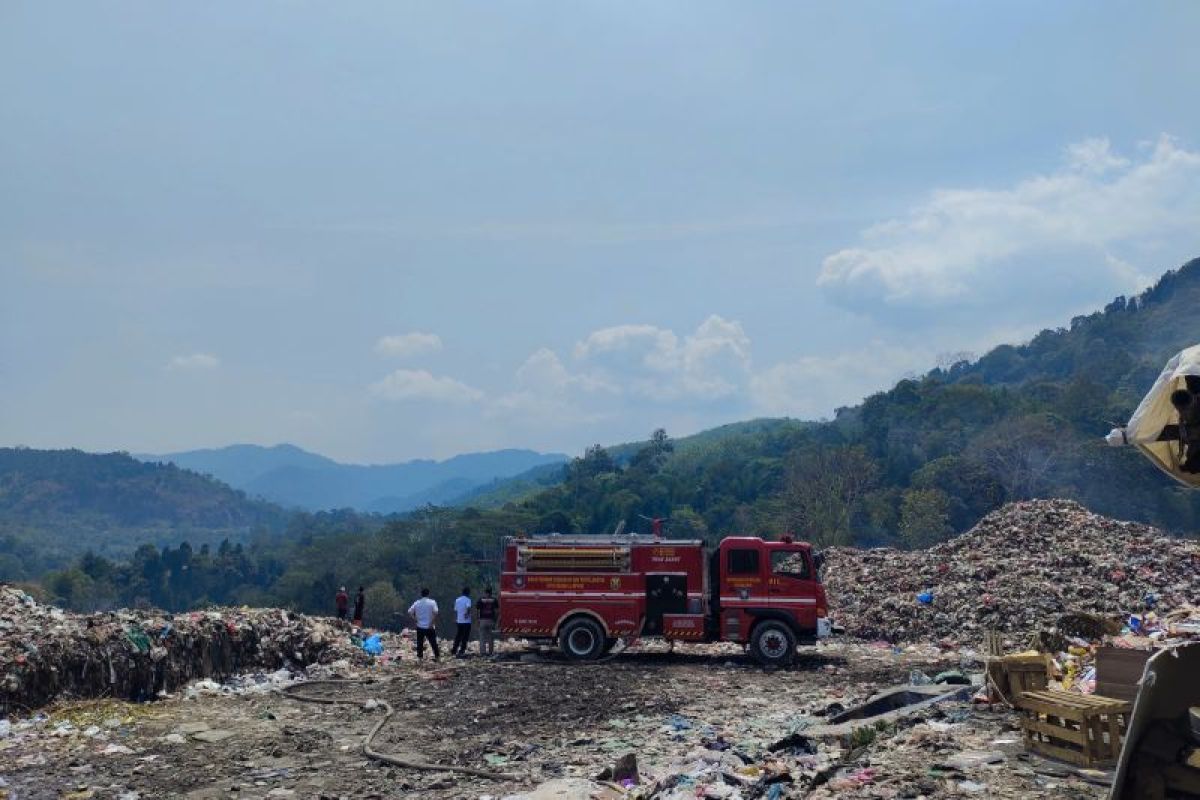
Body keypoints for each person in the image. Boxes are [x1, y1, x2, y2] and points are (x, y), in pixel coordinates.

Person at [407, 588, 439, 661]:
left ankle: (420, 658)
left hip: (420, 626)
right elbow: (436, 612)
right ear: (428, 594)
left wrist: (415, 619)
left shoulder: (417, 603)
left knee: (420, 643)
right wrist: (432, 622)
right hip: (429, 626)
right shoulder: (432, 602)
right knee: (433, 642)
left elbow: (409, 612)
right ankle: (437, 656)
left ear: (421, 594)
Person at [476, 586, 499, 656]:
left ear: (485, 592)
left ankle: (483, 653)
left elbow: (477, 610)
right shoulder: (494, 600)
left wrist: (477, 619)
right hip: (491, 620)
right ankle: (490, 652)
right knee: (490, 637)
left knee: (482, 637)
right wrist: (495, 620)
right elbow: (497, 611)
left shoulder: (481, 600)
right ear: (491, 593)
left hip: (483, 620)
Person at [451, 587, 472, 657]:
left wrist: (455, 618)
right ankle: (462, 650)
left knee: (458, 636)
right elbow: (468, 608)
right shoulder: (468, 600)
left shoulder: (457, 600)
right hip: (466, 621)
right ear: (468, 593)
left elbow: (455, 610)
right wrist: (467, 614)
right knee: (465, 636)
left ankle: (454, 650)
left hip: (459, 620)